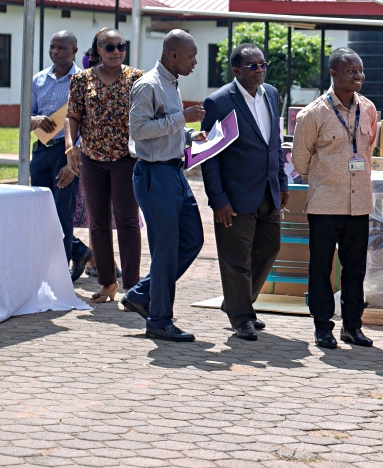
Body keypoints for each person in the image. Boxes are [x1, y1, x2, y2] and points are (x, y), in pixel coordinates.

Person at [120, 30, 207, 342]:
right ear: (173, 55)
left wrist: (188, 135)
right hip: (155, 175)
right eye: (191, 56)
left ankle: (142, 294)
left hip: (174, 172)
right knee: (166, 250)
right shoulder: (148, 85)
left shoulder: (171, 83)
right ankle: (159, 319)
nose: (195, 62)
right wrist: (181, 118)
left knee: (192, 240)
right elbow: (139, 130)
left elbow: (167, 128)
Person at [201, 44, 288, 342]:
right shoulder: (219, 102)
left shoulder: (272, 94)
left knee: (269, 249)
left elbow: (273, 142)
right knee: (236, 258)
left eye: (263, 64)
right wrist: (218, 199)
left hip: (268, 190)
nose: (259, 70)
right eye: (252, 66)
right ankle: (241, 317)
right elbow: (209, 156)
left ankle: (236, 301)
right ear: (236, 70)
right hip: (235, 196)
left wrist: (282, 181)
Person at [292, 48, 378, 349]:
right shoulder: (313, 114)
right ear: (334, 74)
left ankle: (352, 326)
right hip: (325, 204)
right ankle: (322, 327)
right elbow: (300, 161)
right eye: (352, 71)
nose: (359, 76)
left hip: (360, 204)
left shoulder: (368, 109)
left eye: (361, 71)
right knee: (321, 267)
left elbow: (368, 149)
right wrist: (325, 179)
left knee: (355, 269)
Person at [65, 28, 145, 303]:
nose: (116, 52)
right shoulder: (81, 79)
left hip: (126, 160)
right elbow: (72, 117)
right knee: (97, 224)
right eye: (109, 47)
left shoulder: (137, 78)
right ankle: (108, 282)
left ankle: (133, 288)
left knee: (127, 222)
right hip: (92, 160)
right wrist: (70, 147)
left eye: (121, 46)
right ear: (98, 49)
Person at [30, 30, 92, 282]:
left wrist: (73, 160)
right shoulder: (38, 80)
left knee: (61, 213)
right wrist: (33, 120)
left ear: (74, 51)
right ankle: (78, 251)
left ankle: (59, 276)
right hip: (42, 150)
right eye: (52, 47)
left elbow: (87, 123)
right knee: (41, 211)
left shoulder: (81, 81)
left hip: (66, 153)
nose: (55, 52)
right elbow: (26, 114)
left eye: (62, 48)